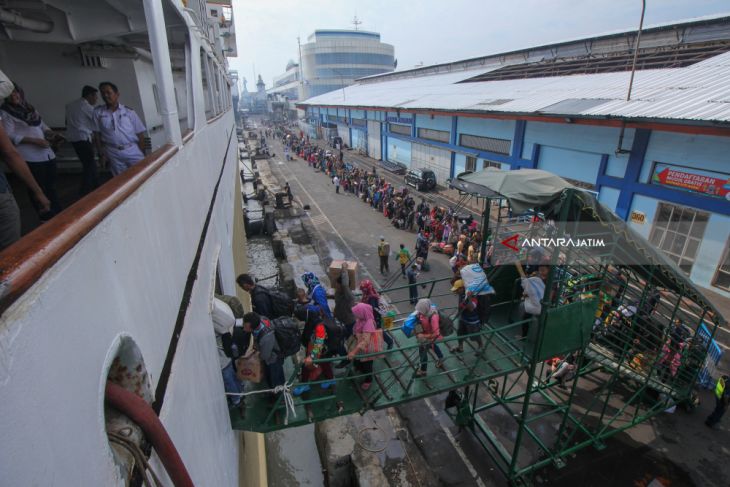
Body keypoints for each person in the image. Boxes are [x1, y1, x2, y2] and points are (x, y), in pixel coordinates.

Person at [1, 84, 62, 220]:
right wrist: (33, 141)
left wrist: (50, 133)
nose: (14, 96)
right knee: (37, 187)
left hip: (46, 154)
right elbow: (9, 135)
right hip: (30, 157)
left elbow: (42, 125)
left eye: (16, 93)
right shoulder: (5, 112)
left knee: (51, 186)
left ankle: (58, 213)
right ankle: (45, 216)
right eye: (10, 94)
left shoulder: (30, 108)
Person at [0, 113, 50, 249]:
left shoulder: (32, 112)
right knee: (10, 251)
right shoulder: (7, 114)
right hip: (2, 194)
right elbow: (9, 153)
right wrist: (38, 192)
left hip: (43, 155)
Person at [93, 81, 146, 176]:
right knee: (120, 180)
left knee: (142, 174)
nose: (105, 96)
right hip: (113, 152)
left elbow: (140, 134)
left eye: (108, 93)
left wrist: (142, 152)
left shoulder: (129, 112)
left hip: (132, 149)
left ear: (117, 94)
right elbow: (97, 135)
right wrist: (101, 154)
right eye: (103, 93)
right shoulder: (98, 113)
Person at [212, 297, 245, 413]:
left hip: (222, 359)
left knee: (228, 380)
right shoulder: (225, 325)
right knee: (232, 375)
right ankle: (240, 391)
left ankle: (236, 400)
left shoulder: (217, 327)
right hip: (227, 357)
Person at [65, 85, 99, 195]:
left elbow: (66, 122)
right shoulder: (86, 106)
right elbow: (97, 120)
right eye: (95, 96)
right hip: (83, 138)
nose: (96, 99)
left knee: (89, 164)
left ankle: (96, 186)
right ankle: (85, 192)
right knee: (89, 166)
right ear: (89, 95)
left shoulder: (70, 105)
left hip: (74, 139)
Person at [242, 312, 285, 392]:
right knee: (278, 373)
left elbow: (264, 356)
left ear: (253, 328)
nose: (243, 328)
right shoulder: (261, 319)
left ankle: (277, 394)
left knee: (274, 377)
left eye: (245, 327)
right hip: (272, 349)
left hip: (273, 358)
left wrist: (254, 357)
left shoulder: (266, 338)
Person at [347, 303, 380, 391]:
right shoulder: (362, 319)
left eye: (356, 313)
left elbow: (365, 341)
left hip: (367, 350)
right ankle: (360, 369)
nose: (354, 315)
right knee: (360, 362)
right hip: (361, 347)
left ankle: (368, 380)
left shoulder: (368, 323)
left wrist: (353, 352)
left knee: (367, 365)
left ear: (361, 313)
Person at [514, 261, 547, 339]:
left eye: (542, 270)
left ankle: (526, 336)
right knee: (526, 316)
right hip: (537, 304)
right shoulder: (536, 281)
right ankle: (525, 335)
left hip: (542, 305)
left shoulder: (546, 281)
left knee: (527, 315)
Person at [360, 279, 393, 350]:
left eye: (363, 289)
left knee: (377, 329)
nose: (362, 291)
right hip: (371, 317)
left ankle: (390, 341)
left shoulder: (371, 297)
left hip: (374, 317)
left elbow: (373, 308)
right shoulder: (368, 295)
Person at [414, 298, 444, 377]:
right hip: (426, 334)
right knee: (432, 346)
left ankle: (423, 370)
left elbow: (436, 333)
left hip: (429, 336)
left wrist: (423, 336)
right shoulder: (424, 312)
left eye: (420, 310)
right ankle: (441, 358)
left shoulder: (433, 317)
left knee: (423, 352)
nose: (419, 312)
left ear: (425, 309)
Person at [451, 279, 483, 353]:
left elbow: (471, 308)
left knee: (474, 336)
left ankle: (481, 346)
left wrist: (469, 297)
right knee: (460, 333)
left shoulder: (473, 295)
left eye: (457, 289)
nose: (456, 291)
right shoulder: (461, 294)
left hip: (472, 321)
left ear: (462, 288)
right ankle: (460, 347)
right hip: (463, 318)